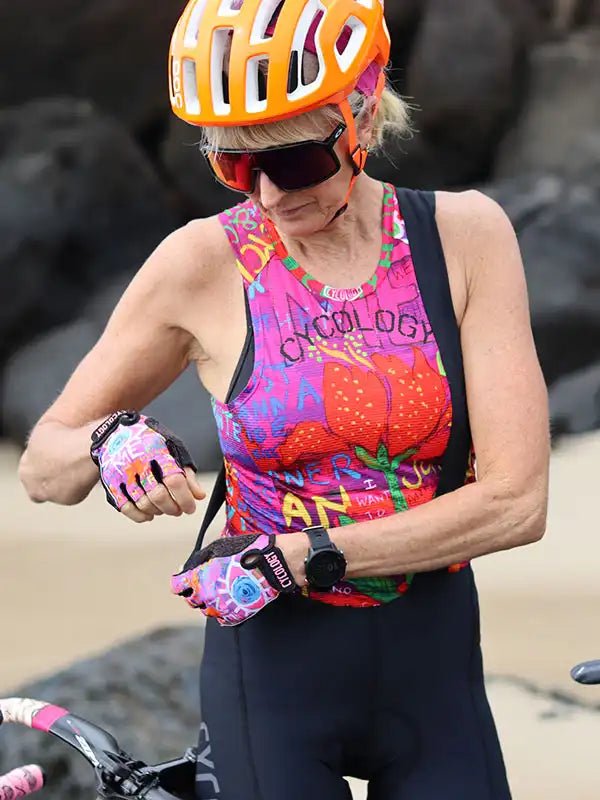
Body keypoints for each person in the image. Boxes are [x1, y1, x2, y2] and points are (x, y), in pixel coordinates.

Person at [19, 0, 550, 798]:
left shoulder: (466, 238)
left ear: (361, 111)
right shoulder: (200, 263)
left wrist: (300, 558)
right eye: (235, 167)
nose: (266, 195)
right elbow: (42, 465)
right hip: (271, 678)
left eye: (294, 162)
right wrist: (108, 440)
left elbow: (517, 503)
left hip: (432, 665)